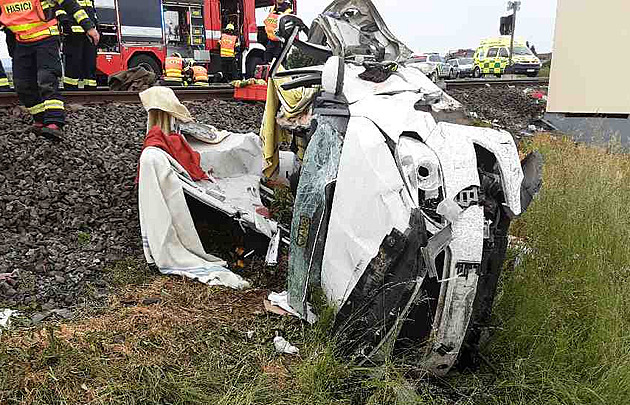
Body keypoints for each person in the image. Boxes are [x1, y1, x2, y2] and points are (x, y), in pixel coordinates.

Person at [0, 0, 99, 140]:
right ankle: (40, 119)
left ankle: (54, 121)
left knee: (46, 79)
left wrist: (89, 26)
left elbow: (70, 4)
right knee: (22, 85)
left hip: (46, 37)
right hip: (22, 42)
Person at [56, 0, 99, 90]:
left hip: (89, 34)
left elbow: (92, 13)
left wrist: (95, 27)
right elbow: (59, 9)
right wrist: (66, 25)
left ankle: (91, 90)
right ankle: (71, 89)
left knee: (90, 64)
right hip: (73, 35)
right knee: (73, 65)